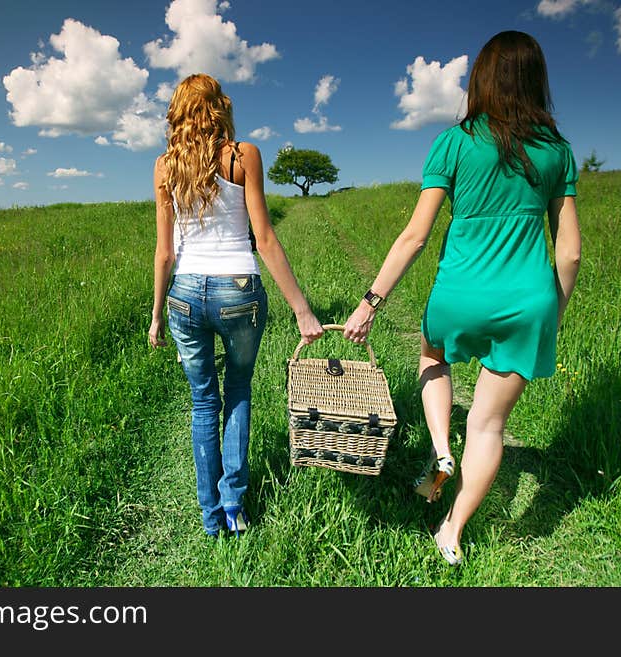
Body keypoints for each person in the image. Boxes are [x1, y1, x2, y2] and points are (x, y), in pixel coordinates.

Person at [342, 30, 582, 565]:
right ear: (536, 82)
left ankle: (442, 450)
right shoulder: (558, 153)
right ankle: (452, 530)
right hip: (528, 302)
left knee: (432, 356)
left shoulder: (454, 142)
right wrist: (550, 314)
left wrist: (370, 303)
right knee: (491, 424)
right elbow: (568, 255)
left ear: (480, 80)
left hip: (459, 293)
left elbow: (415, 235)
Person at [148, 73, 324, 538]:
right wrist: (302, 310)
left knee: (203, 403)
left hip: (184, 295)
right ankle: (233, 507)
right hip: (238, 290)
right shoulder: (243, 155)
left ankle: (210, 520)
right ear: (219, 107)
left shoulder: (164, 167)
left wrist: (155, 316)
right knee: (239, 391)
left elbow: (165, 252)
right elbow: (262, 238)